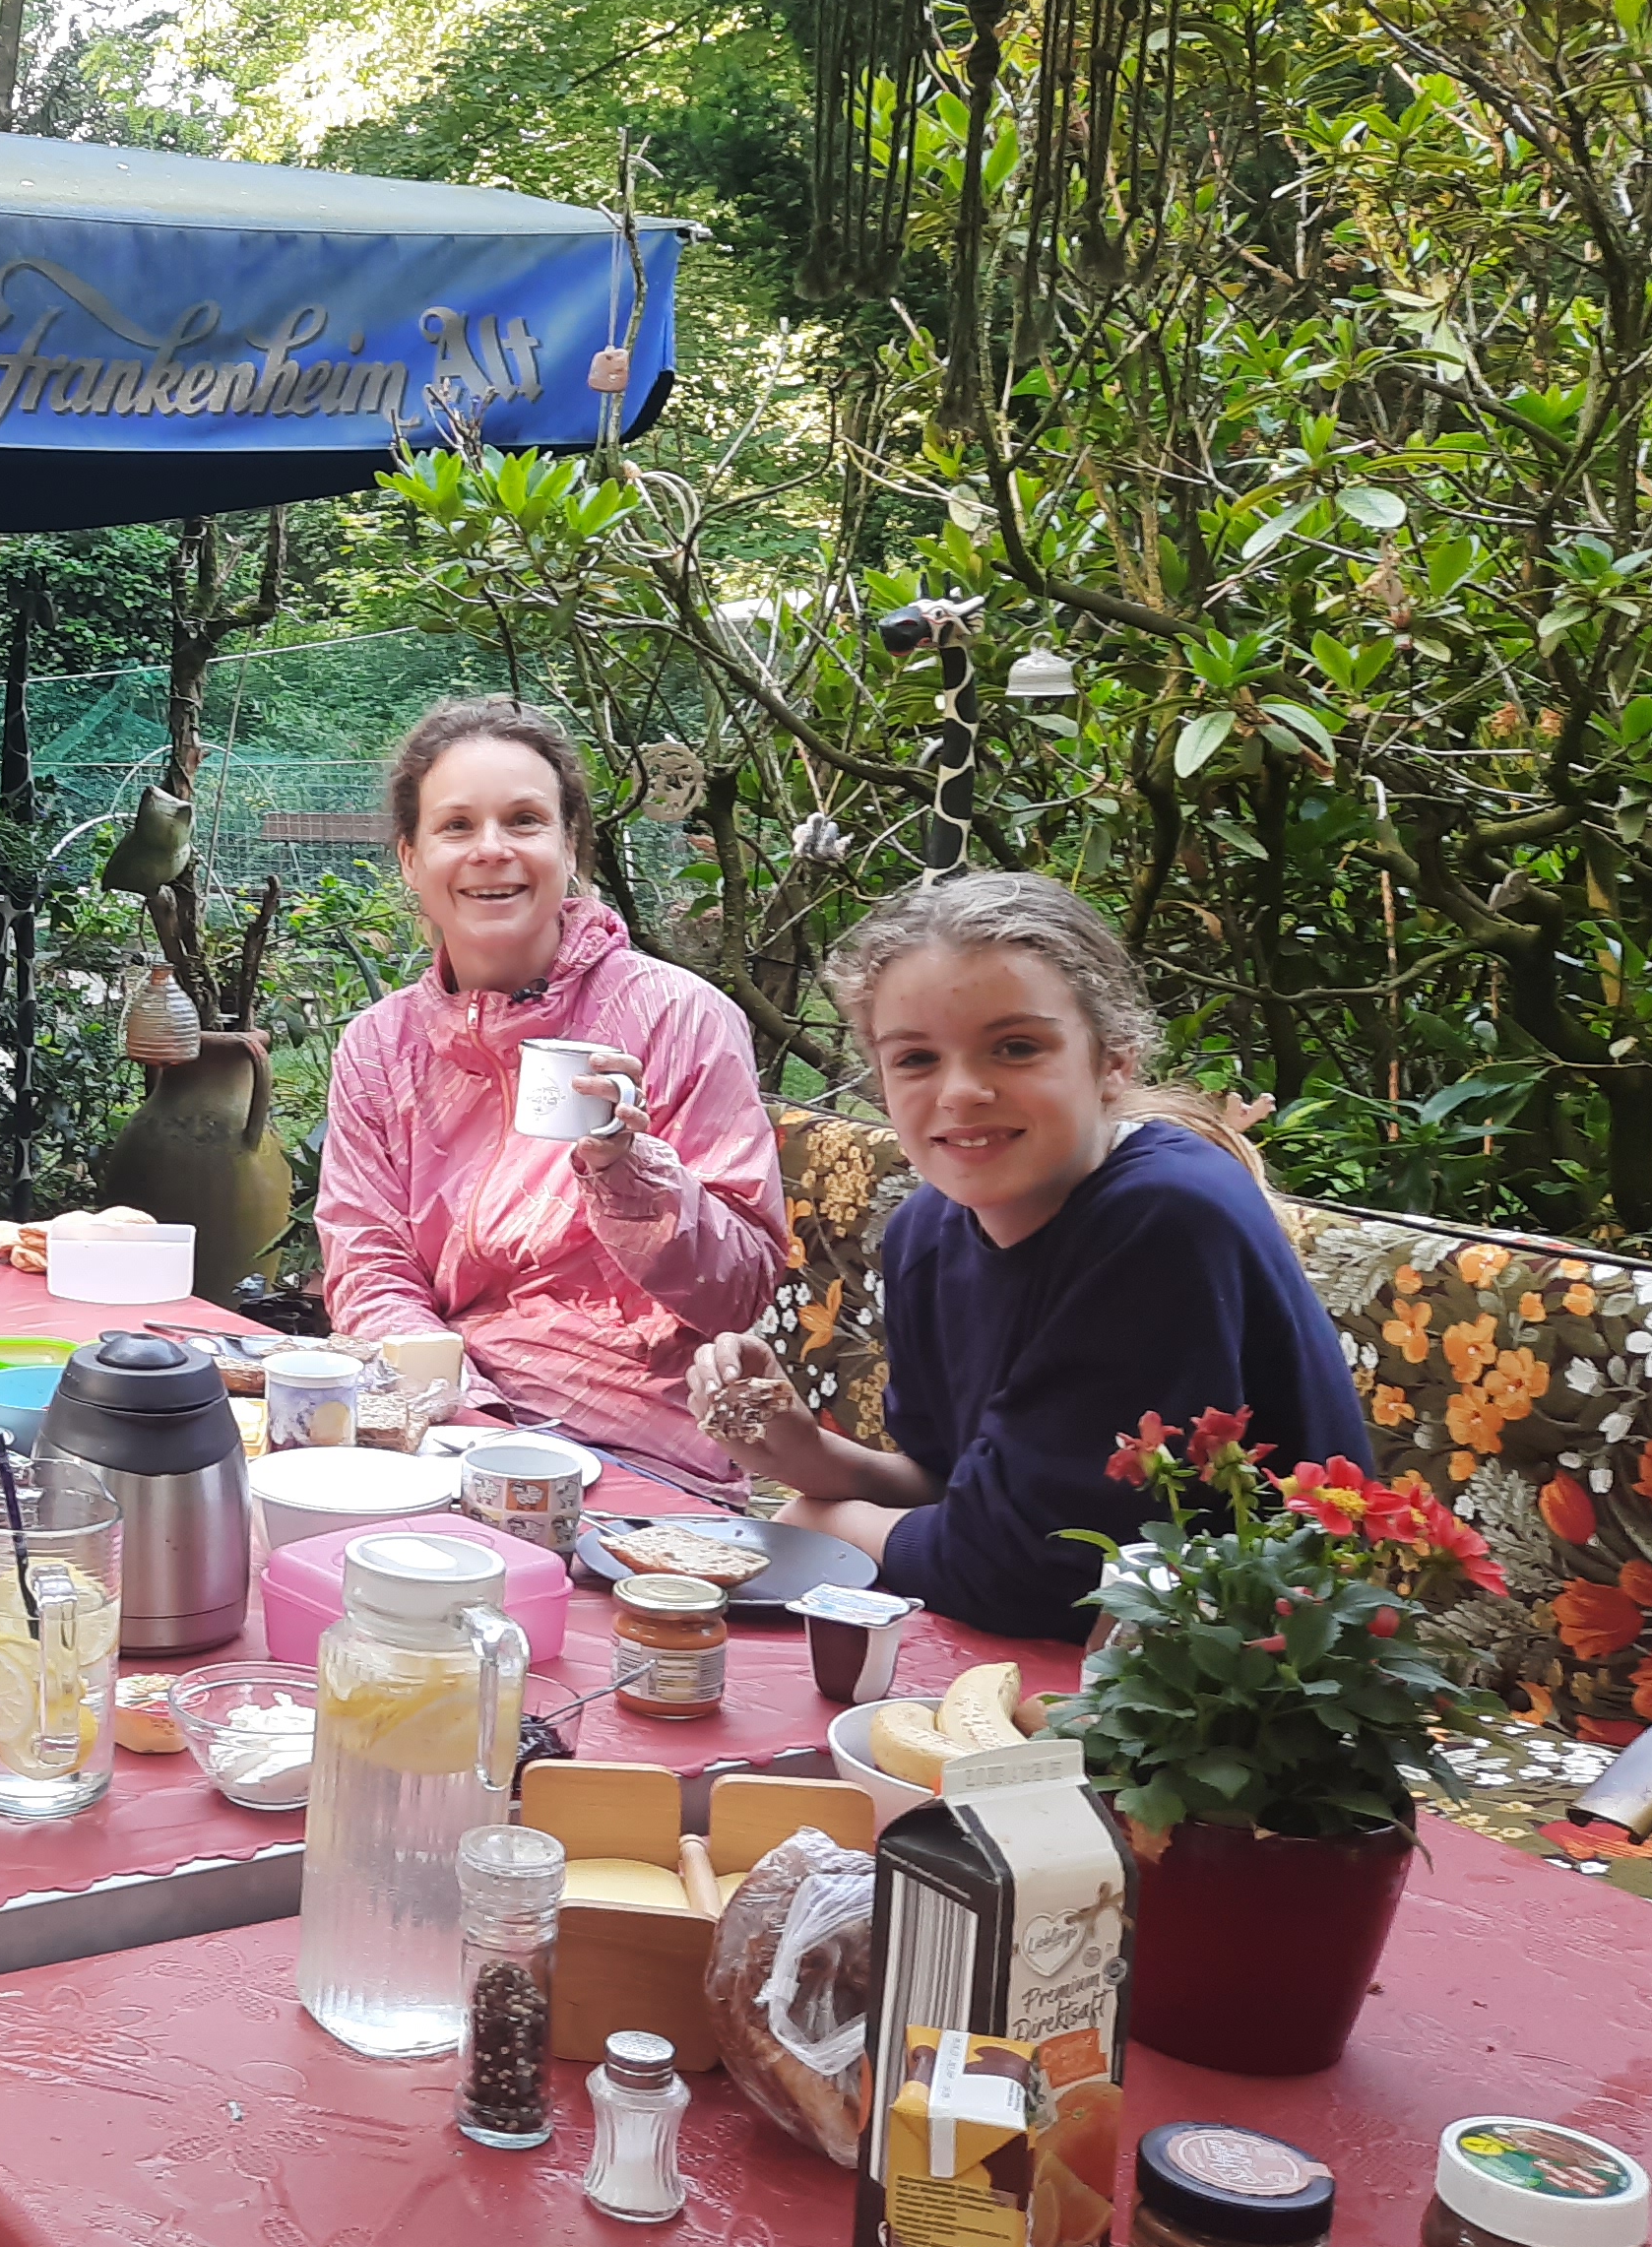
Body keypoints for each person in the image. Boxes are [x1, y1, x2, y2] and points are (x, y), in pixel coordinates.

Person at [685, 871, 1373, 1642]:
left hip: (1240, 1684)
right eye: (915, 1059)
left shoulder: (1163, 1220)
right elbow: (957, 1484)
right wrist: (805, 1453)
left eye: (1016, 1048)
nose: (963, 1091)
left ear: (1114, 1060)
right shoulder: (929, 1229)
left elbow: (1027, 1569)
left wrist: (825, 1521)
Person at [313, 694, 787, 1487]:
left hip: (639, 1447)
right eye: (456, 826)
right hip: (448, 1426)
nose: (491, 849)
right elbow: (369, 1268)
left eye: (525, 821)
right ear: (410, 859)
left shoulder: (679, 1017)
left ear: (571, 847)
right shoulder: (380, 1047)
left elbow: (737, 1294)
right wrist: (460, 1410)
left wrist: (629, 1172)